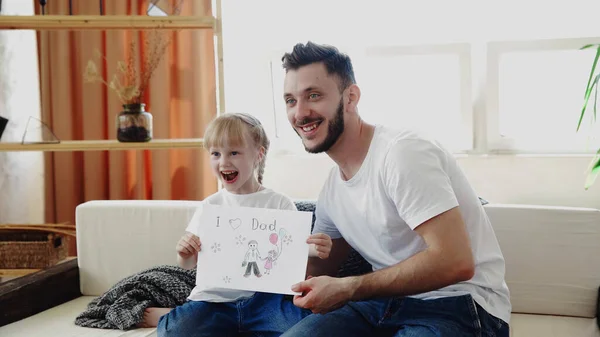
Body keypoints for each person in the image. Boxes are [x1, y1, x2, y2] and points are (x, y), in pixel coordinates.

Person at [279, 42, 511, 336]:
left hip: (459, 304)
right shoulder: (331, 192)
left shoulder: (402, 153)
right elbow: (317, 272)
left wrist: (349, 287)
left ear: (350, 98)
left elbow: (456, 262)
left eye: (314, 95)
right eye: (290, 100)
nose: (300, 113)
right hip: (381, 306)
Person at [139, 112, 333, 336]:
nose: (224, 161)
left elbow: (293, 254)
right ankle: (171, 315)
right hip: (214, 302)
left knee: (309, 327)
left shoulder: (278, 202)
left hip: (265, 302)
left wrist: (317, 249)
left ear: (258, 154)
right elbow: (187, 263)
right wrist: (184, 252)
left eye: (234, 152)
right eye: (215, 154)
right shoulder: (210, 205)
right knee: (175, 330)